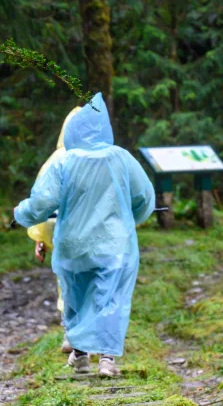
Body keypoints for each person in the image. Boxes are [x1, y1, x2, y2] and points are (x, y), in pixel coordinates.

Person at [14, 93, 155, 377]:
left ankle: (79, 355)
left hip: (73, 245)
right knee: (112, 298)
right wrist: (132, 220)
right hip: (116, 244)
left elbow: (42, 203)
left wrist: (21, 214)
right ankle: (107, 360)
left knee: (75, 295)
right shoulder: (122, 158)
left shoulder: (62, 161)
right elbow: (144, 197)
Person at [27, 107, 82, 355]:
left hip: (61, 229)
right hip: (94, 231)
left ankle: (71, 332)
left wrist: (40, 238)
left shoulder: (55, 161)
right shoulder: (105, 159)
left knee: (67, 278)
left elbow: (41, 202)